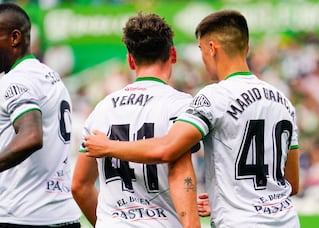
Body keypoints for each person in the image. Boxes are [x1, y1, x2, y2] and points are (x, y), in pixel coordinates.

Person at [83, 9, 300, 227]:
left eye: (201, 50)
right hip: (287, 220)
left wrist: (109, 146)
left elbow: (168, 149)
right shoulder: (283, 101)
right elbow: (292, 183)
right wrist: (225, 201)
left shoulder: (214, 97)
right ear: (247, 48)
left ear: (212, 49)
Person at [71, 12, 200, 228]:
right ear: (173, 54)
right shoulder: (182, 105)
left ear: (131, 60)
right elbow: (181, 170)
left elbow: (79, 186)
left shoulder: (101, 109)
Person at [0, 3, 81, 228]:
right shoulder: (49, 75)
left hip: (23, 217)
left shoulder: (16, 80)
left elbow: (31, 136)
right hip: (62, 215)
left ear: (14, 37)